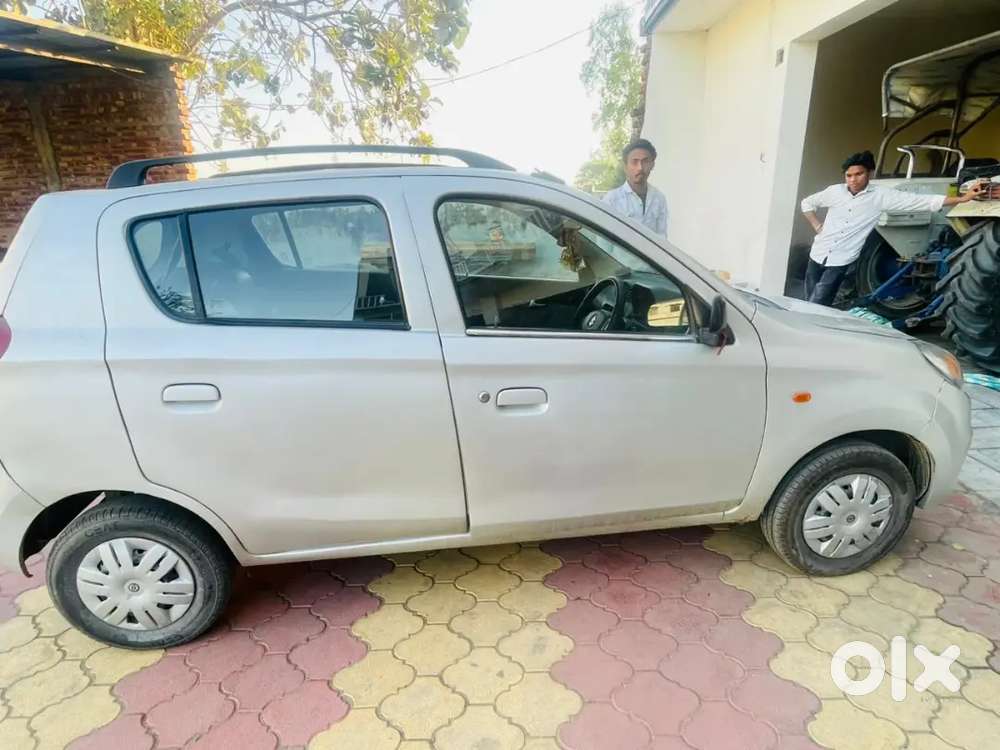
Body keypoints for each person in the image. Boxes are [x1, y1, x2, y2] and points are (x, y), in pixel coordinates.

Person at [800, 150, 985, 306]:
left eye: (859, 174)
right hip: (818, 252)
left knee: (818, 304)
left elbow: (920, 201)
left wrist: (962, 199)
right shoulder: (834, 191)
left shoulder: (881, 196)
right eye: (849, 175)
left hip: (841, 259)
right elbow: (807, 203)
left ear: (869, 174)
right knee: (808, 301)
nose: (853, 180)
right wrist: (817, 225)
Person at [603, 138, 668, 237]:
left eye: (645, 161)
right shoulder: (612, 200)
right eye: (634, 162)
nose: (640, 168)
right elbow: (604, 242)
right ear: (625, 166)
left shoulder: (659, 198)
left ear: (652, 165)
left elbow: (662, 237)